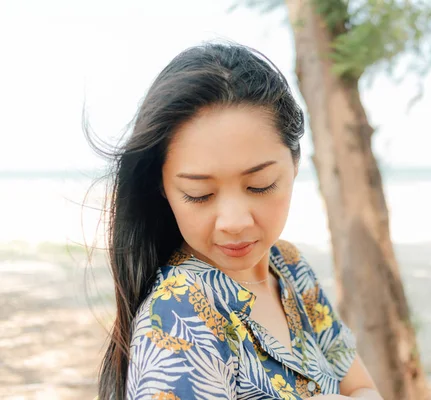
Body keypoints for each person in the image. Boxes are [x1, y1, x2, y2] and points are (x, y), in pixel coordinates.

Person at [87, 41, 382, 400]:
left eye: (260, 185)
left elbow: (362, 386)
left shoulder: (287, 265)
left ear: (294, 164)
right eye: (199, 194)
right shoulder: (178, 317)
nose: (234, 222)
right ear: (163, 187)